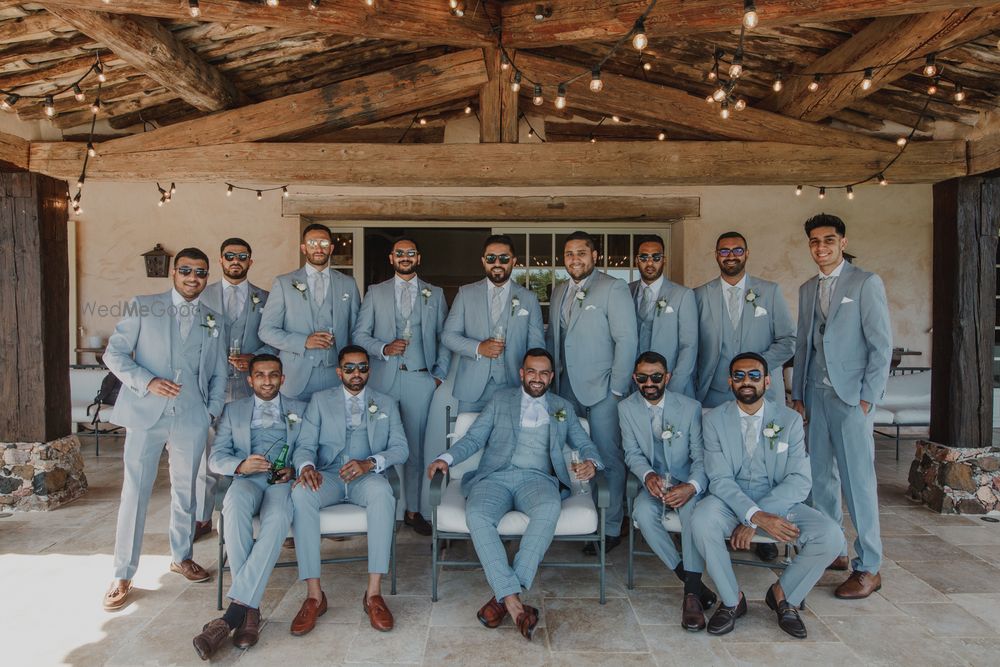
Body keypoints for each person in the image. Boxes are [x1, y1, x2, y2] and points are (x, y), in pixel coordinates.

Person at [427, 349, 603, 640]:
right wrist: (446, 458)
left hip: (537, 480)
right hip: (494, 477)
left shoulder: (562, 406)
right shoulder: (500, 400)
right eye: (531, 372)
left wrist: (592, 463)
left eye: (544, 373)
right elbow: (473, 439)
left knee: (548, 509)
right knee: (478, 515)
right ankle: (514, 604)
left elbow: (585, 442)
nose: (537, 378)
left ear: (551, 376)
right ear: (522, 373)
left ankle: (503, 597)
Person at [102, 248, 228, 611]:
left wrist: (211, 412)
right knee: (135, 492)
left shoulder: (214, 319)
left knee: (186, 491)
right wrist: (147, 381)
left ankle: (181, 555)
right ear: (174, 272)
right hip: (145, 412)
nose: (193, 278)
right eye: (186, 270)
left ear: (207, 277)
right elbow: (115, 353)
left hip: (191, 415)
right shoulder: (145, 305)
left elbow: (219, 372)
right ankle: (122, 572)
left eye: (201, 272)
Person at [692, 352, 843, 638]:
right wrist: (754, 516)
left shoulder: (790, 420)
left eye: (754, 375)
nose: (746, 381)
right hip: (729, 502)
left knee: (831, 536)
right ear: (730, 381)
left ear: (767, 381)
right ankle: (732, 600)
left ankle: (783, 594)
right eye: (739, 376)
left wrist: (757, 518)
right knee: (701, 519)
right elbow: (719, 478)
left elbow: (800, 480)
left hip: (779, 502)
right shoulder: (713, 421)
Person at [791, 213, 891, 599]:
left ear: (842, 243)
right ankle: (831, 548)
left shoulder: (865, 283)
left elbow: (880, 346)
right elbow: (804, 345)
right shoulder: (805, 289)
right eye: (815, 241)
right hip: (816, 395)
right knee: (821, 480)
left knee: (858, 482)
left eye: (828, 240)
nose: (821, 247)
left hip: (852, 398)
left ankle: (869, 566)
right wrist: (798, 393)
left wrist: (868, 397)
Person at [192, 354, 306, 659]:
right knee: (233, 504)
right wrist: (240, 465)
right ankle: (248, 609)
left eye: (273, 375)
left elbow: (312, 449)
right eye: (260, 375)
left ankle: (234, 616)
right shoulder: (233, 410)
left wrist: (294, 469)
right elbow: (217, 457)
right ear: (250, 379)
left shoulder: (300, 409)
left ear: (283, 378)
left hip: (281, 482)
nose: (267, 381)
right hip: (247, 479)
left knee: (280, 516)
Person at [289, 346, 408, 634]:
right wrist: (305, 466)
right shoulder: (319, 401)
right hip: (327, 475)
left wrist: (370, 463)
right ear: (339, 371)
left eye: (363, 367)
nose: (357, 373)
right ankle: (314, 596)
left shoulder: (386, 403)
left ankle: (373, 594)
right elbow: (304, 445)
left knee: (383, 493)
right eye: (351, 368)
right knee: (301, 494)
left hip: (364, 479)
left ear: (370, 369)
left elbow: (401, 449)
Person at [693, 231, 795, 563]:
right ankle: (720, 525)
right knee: (722, 464)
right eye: (724, 251)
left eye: (737, 250)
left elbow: (788, 341)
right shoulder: (700, 295)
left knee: (763, 462)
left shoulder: (770, 291)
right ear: (716, 254)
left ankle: (763, 531)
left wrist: (754, 372)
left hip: (761, 394)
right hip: (713, 390)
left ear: (747, 253)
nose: (731, 255)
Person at [546, 231, 637, 553]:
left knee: (608, 457)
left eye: (581, 253)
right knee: (572, 453)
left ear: (595, 256)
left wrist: (616, 389)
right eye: (569, 254)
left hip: (603, 391)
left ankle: (611, 527)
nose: (575, 259)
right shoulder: (558, 291)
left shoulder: (613, 288)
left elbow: (627, 341)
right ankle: (581, 517)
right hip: (565, 387)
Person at [353, 237, 449, 536]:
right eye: (399, 253)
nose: (405, 257)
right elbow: (359, 334)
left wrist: (438, 376)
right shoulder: (375, 292)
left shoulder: (435, 294)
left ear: (417, 258)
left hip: (420, 379)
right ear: (391, 258)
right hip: (383, 380)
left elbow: (445, 338)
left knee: (416, 449)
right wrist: (382, 348)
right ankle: (382, 510)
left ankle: (413, 511)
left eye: (410, 253)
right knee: (378, 443)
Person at [618, 351, 716, 630]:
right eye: (642, 377)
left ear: (667, 377)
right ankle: (690, 579)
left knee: (691, 517)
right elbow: (632, 452)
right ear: (635, 378)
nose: (649, 382)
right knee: (642, 514)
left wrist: (691, 487)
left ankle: (691, 598)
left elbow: (701, 458)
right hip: (655, 485)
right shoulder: (626, 408)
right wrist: (647, 475)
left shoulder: (690, 407)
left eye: (656, 377)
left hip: (686, 484)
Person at [193, 237, 276, 541]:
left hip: (247, 387)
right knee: (205, 453)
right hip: (207, 386)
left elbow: (275, 339)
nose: (236, 261)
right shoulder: (202, 294)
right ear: (221, 259)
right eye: (230, 256)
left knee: (249, 447)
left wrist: (255, 358)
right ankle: (202, 517)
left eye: (242, 256)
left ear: (250, 262)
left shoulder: (265, 298)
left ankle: (249, 511)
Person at [442, 234, 544, 412]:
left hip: (514, 386)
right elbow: (448, 336)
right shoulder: (466, 294)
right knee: (470, 437)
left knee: (508, 440)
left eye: (504, 258)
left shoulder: (529, 298)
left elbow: (537, 346)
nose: (497, 263)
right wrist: (478, 348)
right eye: (491, 258)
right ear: (483, 261)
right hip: (472, 389)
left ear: (513, 261)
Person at [259, 223, 360, 401]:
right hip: (295, 376)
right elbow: (266, 331)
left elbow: (356, 332)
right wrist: (303, 341)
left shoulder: (348, 284)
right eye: (313, 243)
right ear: (303, 248)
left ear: (332, 248)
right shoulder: (284, 283)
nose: (319, 248)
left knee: (334, 428)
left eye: (324, 243)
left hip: (336, 375)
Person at [629, 235, 698, 398]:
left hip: (671, 386)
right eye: (644, 257)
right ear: (636, 260)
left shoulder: (683, 295)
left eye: (656, 257)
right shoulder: (626, 292)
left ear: (664, 259)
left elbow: (689, 346)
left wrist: (673, 388)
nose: (650, 262)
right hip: (633, 387)